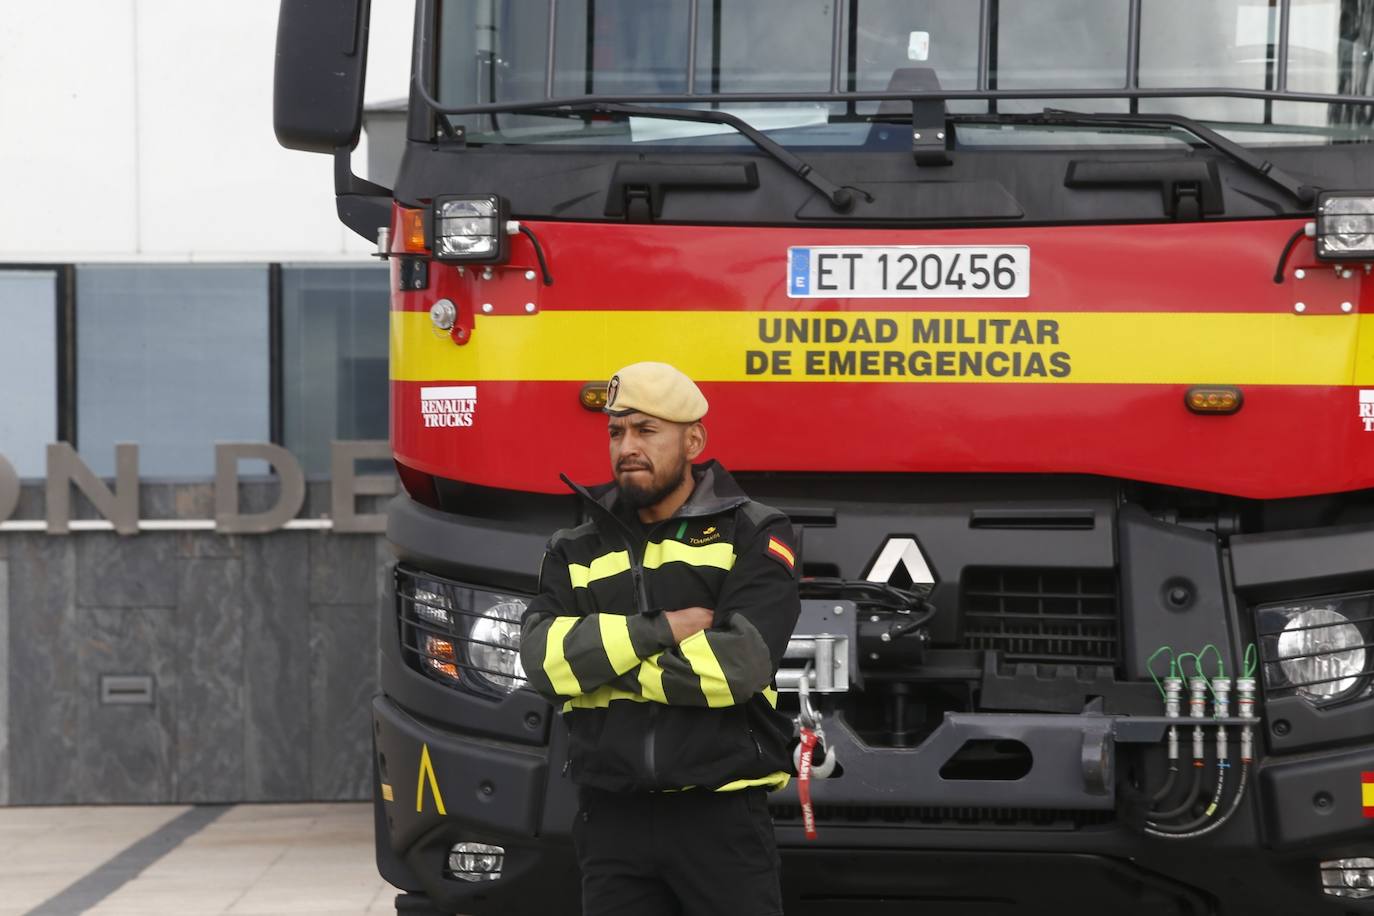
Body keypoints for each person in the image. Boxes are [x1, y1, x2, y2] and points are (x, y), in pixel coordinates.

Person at [519, 361, 801, 916]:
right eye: (616, 431)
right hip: (610, 821)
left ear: (693, 439)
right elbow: (540, 662)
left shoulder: (757, 532)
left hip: (721, 820)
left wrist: (598, 669)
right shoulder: (573, 546)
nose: (628, 446)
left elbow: (736, 668)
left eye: (646, 430)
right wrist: (664, 630)